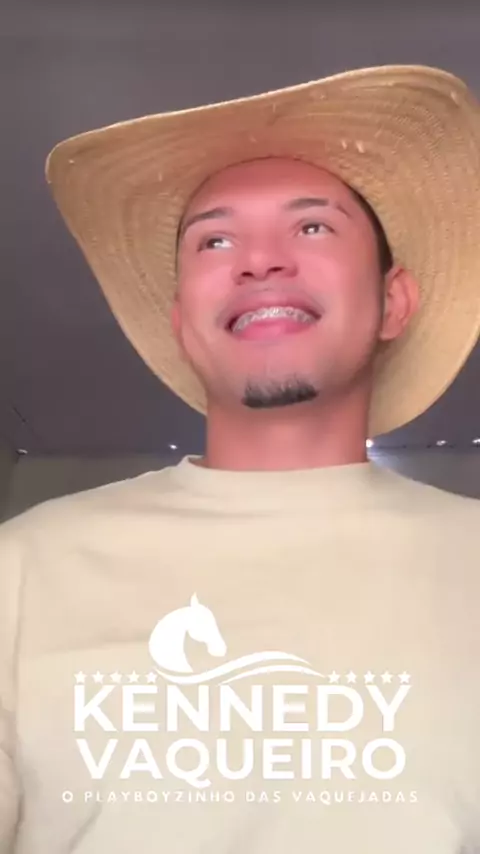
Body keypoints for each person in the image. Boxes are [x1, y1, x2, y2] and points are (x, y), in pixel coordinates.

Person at [1, 64, 480, 853]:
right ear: (182, 322)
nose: (260, 262)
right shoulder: (24, 567)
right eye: (215, 240)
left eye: (313, 227)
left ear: (392, 301)